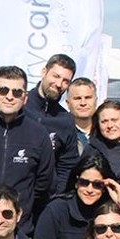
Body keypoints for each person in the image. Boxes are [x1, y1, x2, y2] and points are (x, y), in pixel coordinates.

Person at [0, 66, 55, 234]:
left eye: (17, 92)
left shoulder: (38, 134)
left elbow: (43, 185)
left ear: (25, 98)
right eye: (3, 90)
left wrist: (23, 208)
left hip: (19, 231)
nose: (10, 97)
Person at [24, 54, 80, 193]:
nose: (59, 84)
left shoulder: (65, 120)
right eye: (55, 76)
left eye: (66, 81)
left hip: (46, 202)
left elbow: (67, 166)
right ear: (44, 72)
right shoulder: (20, 106)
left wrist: (56, 198)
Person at [67, 77, 98, 152]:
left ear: (96, 101)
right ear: (68, 103)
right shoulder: (60, 133)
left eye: (88, 98)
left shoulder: (107, 131)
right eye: (77, 98)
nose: (83, 103)